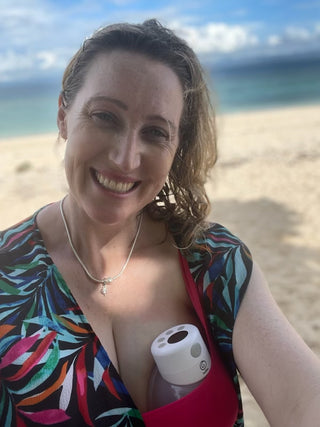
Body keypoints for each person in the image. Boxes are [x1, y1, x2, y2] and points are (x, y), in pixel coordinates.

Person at [0, 19, 319, 427]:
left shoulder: (213, 262)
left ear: (176, 149)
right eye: (105, 116)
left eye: (155, 132)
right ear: (64, 115)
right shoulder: (9, 274)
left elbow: (304, 400)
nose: (126, 157)